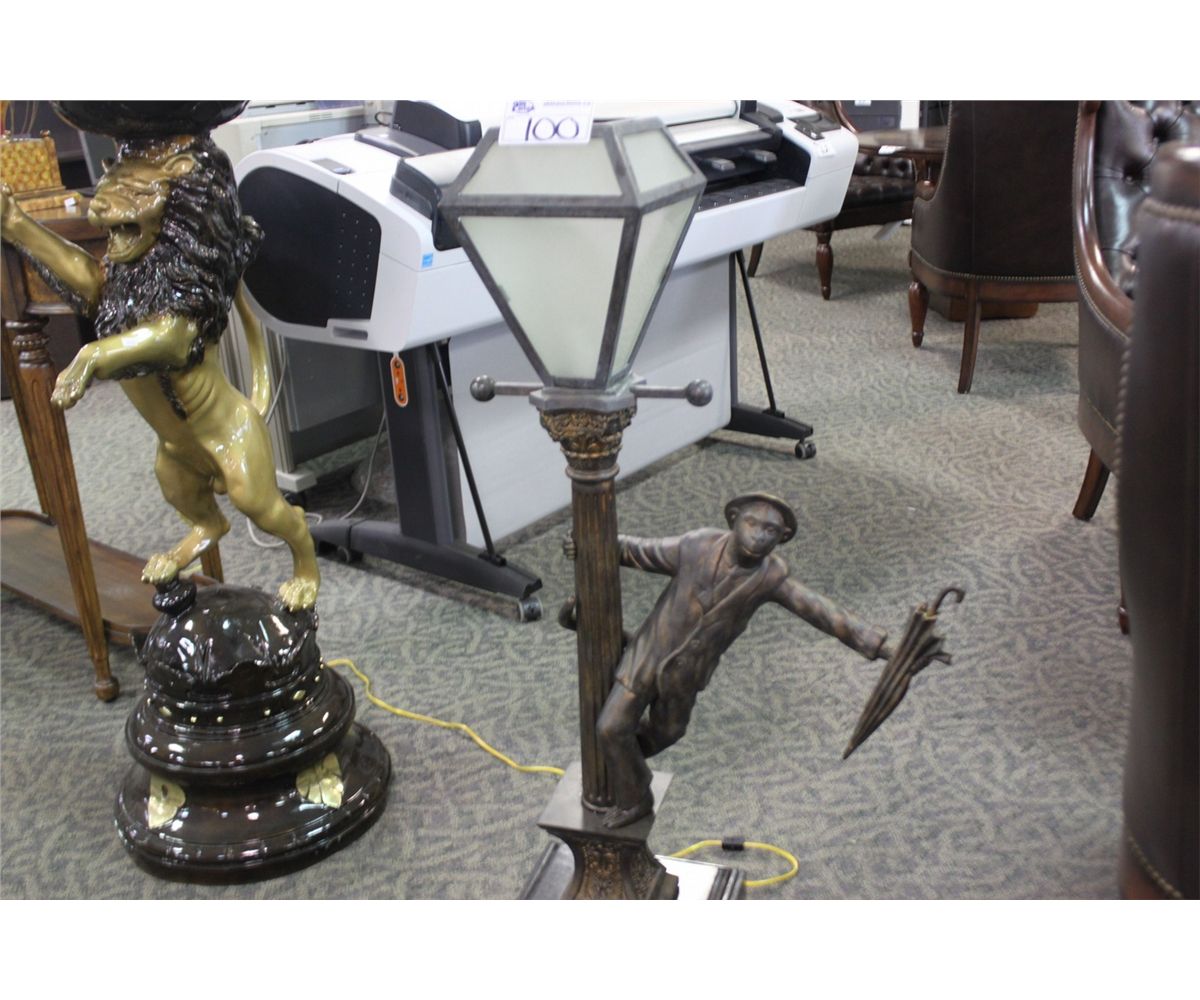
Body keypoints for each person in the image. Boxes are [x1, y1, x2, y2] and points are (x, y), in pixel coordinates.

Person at [575, 492, 894, 828]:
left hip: (688, 675)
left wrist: (881, 646)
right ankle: (635, 795)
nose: (758, 536)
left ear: (782, 538)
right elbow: (636, 550)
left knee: (667, 733)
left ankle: (619, 766)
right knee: (611, 727)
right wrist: (585, 543)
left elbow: (823, 612)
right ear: (733, 520)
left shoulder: (771, 577)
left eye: (771, 531)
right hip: (647, 656)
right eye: (752, 523)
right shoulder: (696, 545)